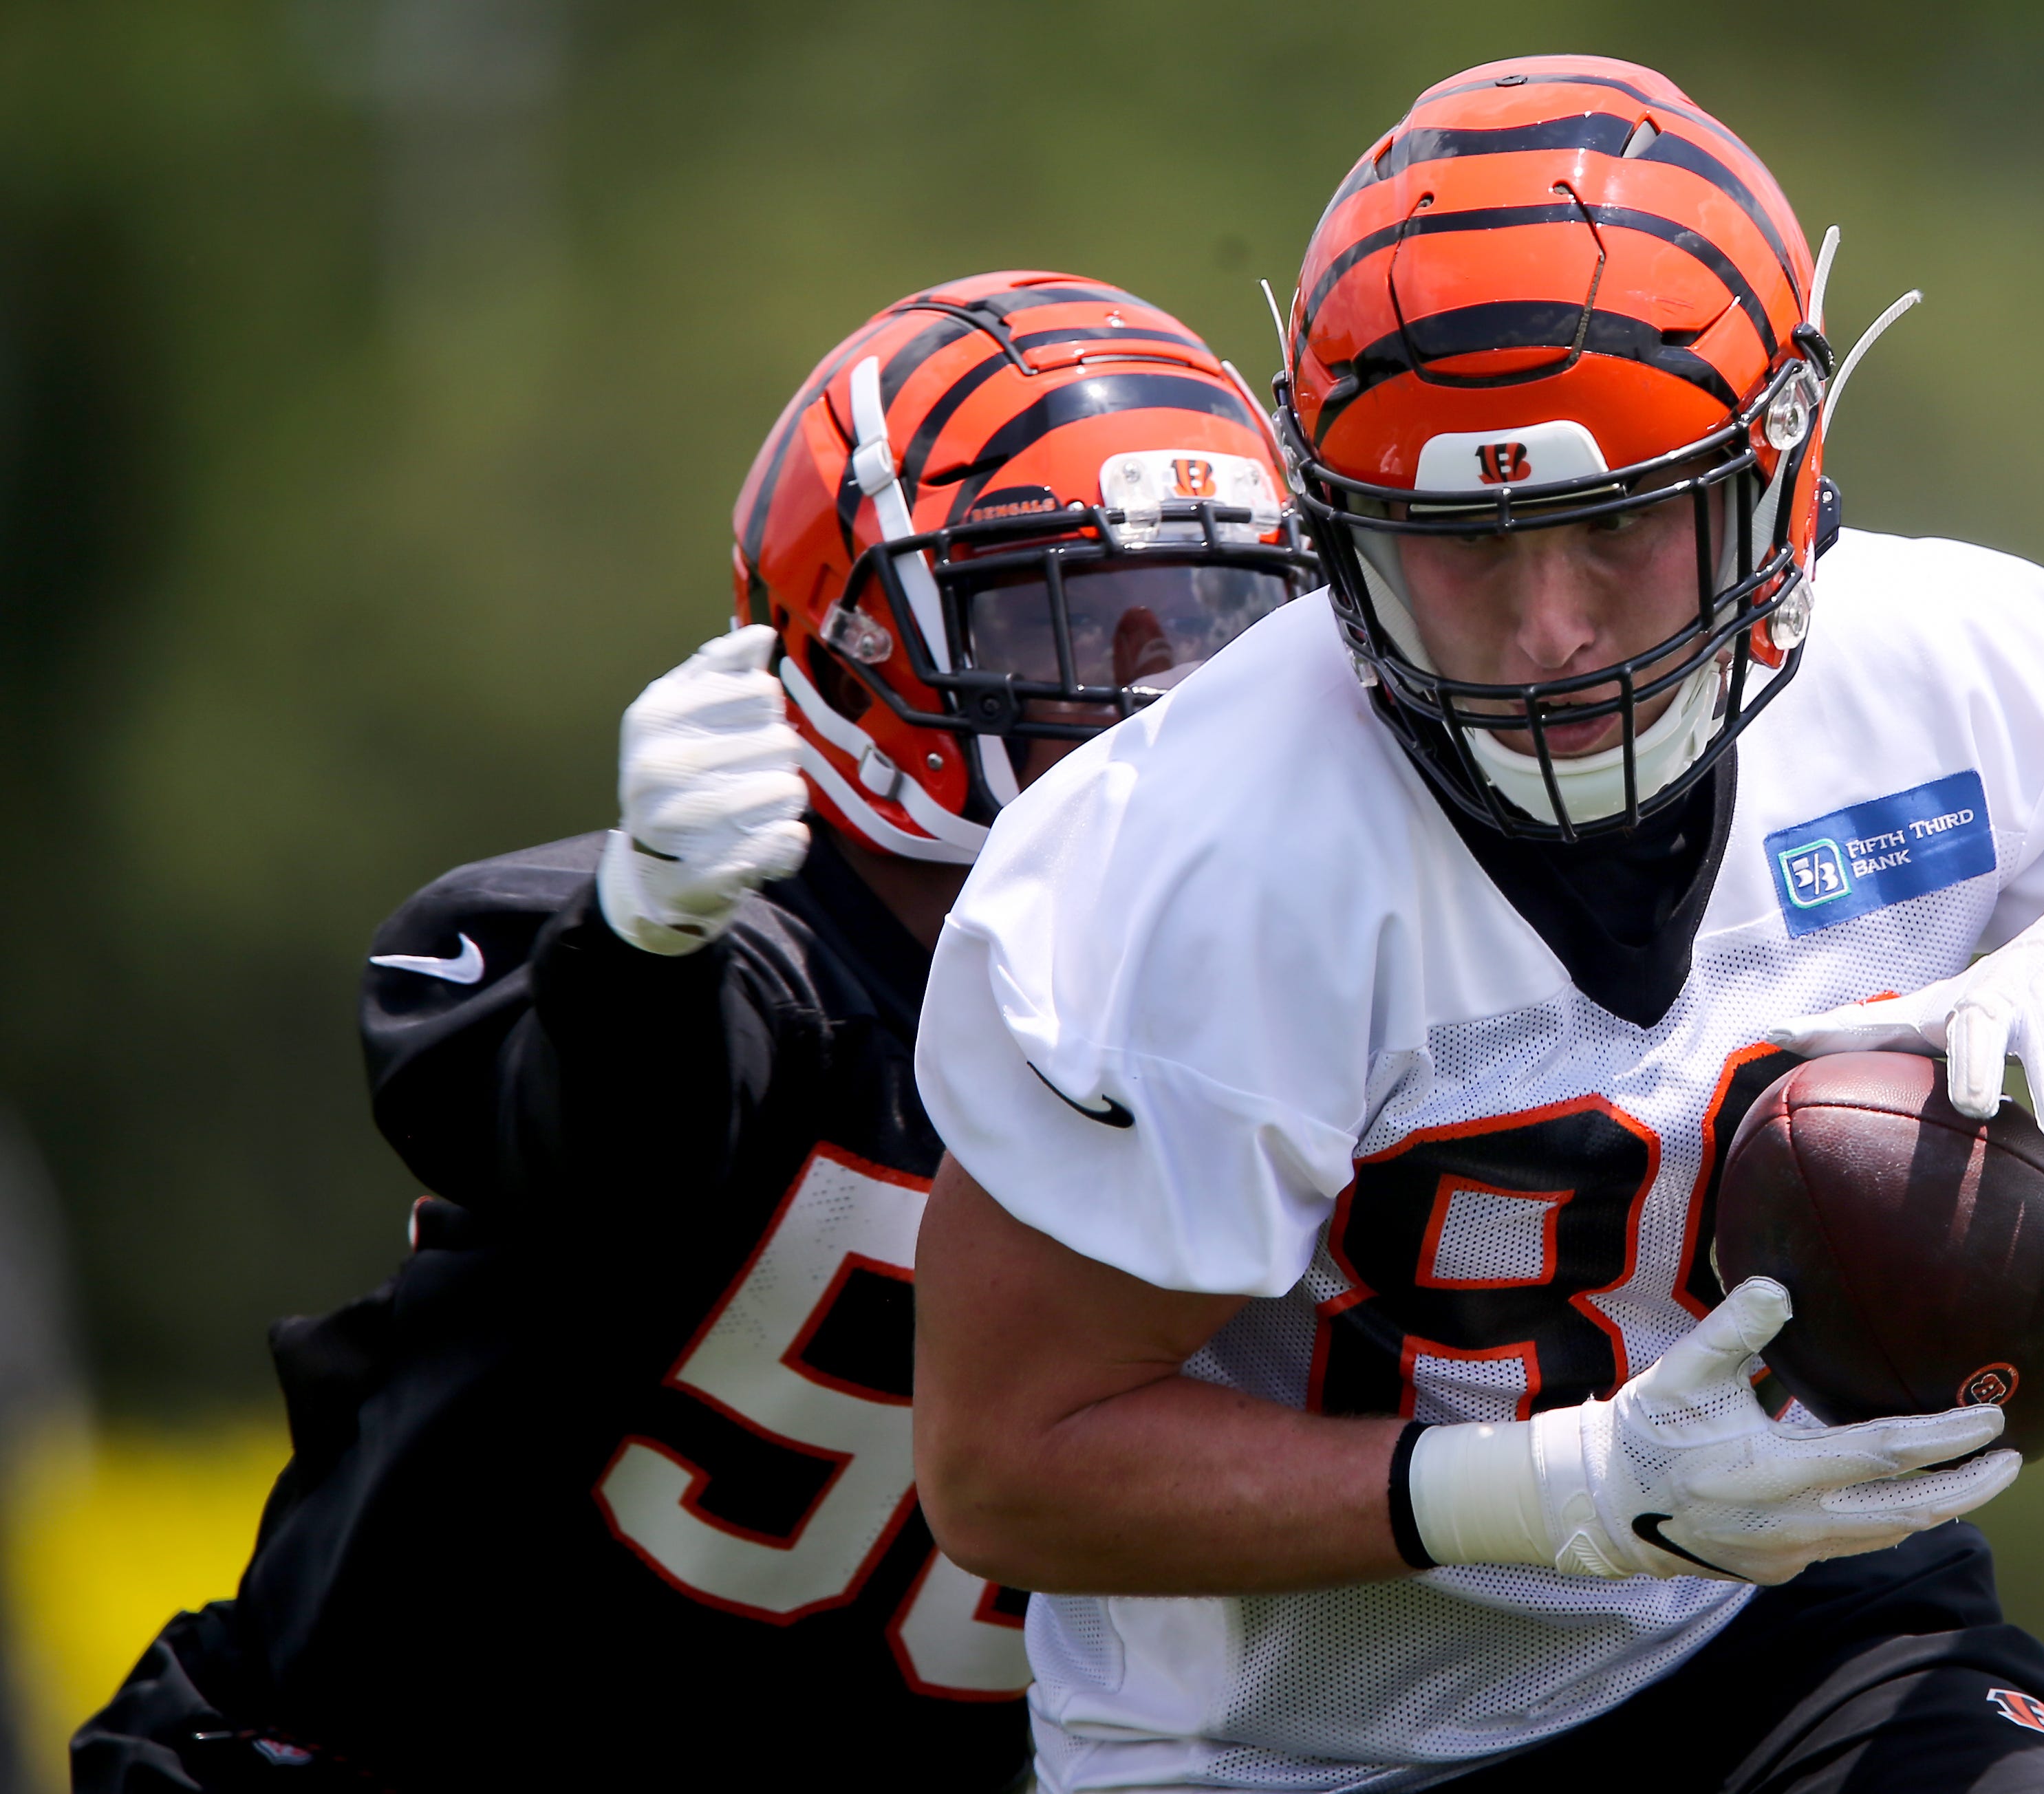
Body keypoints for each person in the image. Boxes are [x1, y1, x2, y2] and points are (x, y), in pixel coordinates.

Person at [906, 59, 2044, 1794]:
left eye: (1613, 526)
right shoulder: (1195, 853)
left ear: (1778, 472)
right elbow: (1008, 1463)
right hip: (1299, 1748)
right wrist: (1558, 1495)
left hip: (1773, 1634)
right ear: (1342, 530)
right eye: (1462, 547)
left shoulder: (1943, 673)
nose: (1544, 630)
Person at [72, 271, 1316, 1793]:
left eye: (1211, 611)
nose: (1161, 687)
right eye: (1061, 618)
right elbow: (605, 1132)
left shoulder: (1306, 999)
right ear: (855, 637)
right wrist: (640, 943)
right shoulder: (714, 968)